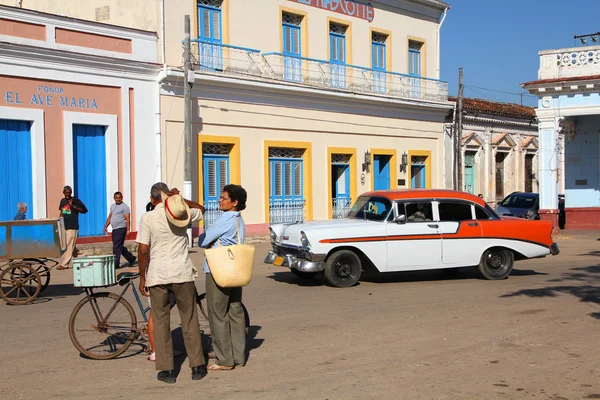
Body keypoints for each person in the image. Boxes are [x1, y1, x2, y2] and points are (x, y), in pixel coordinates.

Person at [136, 182, 207, 384]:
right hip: (182, 272)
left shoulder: (147, 218)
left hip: (158, 275)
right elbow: (201, 209)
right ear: (167, 196)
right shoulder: (182, 213)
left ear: (152, 199)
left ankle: (167, 371)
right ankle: (197, 366)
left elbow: (142, 250)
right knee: (189, 318)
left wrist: (142, 277)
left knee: (160, 321)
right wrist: (180, 199)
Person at [199, 184, 248, 371]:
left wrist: (209, 240)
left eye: (223, 198)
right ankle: (238, 356)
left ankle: (224, 359)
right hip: (235, 269)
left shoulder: (225, 219)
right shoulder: (239, 220)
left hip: (218, 270)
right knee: (235, 311)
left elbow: (202, 240)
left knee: (217, 314)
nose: (219, 200)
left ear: (234, 202)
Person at [57, 186, 87, 270]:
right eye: (66, 193)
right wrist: (59, 222)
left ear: (71, 192)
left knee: (69, 245)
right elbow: (62, 212)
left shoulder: (75, 200)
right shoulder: (62, 201)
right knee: (69, 246)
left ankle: (64, 264)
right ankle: (84, 256)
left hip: (72, 226)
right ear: (63, 193)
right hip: (64, 226)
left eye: (69, 193)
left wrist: (73, 206)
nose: (67, 194)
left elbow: (84, 210)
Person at [104, 192, 136, 269]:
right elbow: (110, 217)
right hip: (114, 229)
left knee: (116, 246)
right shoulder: (112, 206)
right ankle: (131, 258)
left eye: (119, 197)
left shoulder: (125, 207)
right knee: (118, 245)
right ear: (114, 198)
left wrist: (128, 230)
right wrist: (106, 226)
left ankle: (116, 263)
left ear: (122, 198)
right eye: (116, 197)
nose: (118, 199)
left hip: (121, 228)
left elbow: (128, 219)